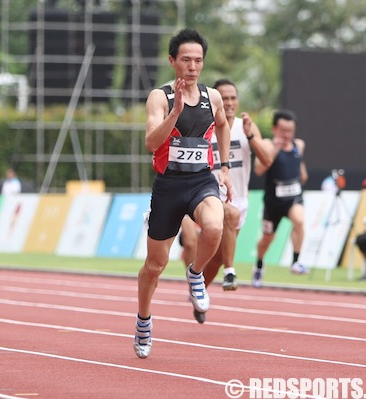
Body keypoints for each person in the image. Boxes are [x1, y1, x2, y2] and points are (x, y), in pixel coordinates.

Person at [134, 28, 232, 359]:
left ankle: (195, 274)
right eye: (186, 60)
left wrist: (225, 165)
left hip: (202, 180)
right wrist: (175, 111)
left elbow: (221, 124)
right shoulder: (159, 97)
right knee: (154, 265)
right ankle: (144, 320)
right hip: (169, 186)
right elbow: (150, 142)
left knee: (216, 226)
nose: (192, 66)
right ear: (172, 61)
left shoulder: (212, 97)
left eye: (198, 60)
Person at [178, 79, 273, 304]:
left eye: (233, 98)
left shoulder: (245, 126)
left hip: (240, 199)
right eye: (225, 98)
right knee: (226, 217)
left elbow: (266, 160)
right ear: (214, 100)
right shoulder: (203, 128)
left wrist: (251, 136)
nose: (229, 103)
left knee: (216, 258)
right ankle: (230, 271)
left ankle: (199, 293)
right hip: (208, 197)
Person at [252, 109, 309, 288]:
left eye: (290, 131)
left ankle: (295, 261)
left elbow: (301, 172)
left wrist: (300, 178)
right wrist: (275, 150)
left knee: (299, 220)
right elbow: (259, 170)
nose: (287, 135)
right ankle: (259, 264)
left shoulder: (299, 145)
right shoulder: (268, 145)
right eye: (283, 130)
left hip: (293, 197)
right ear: (274, 129)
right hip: (273, 202)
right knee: (268, 238)